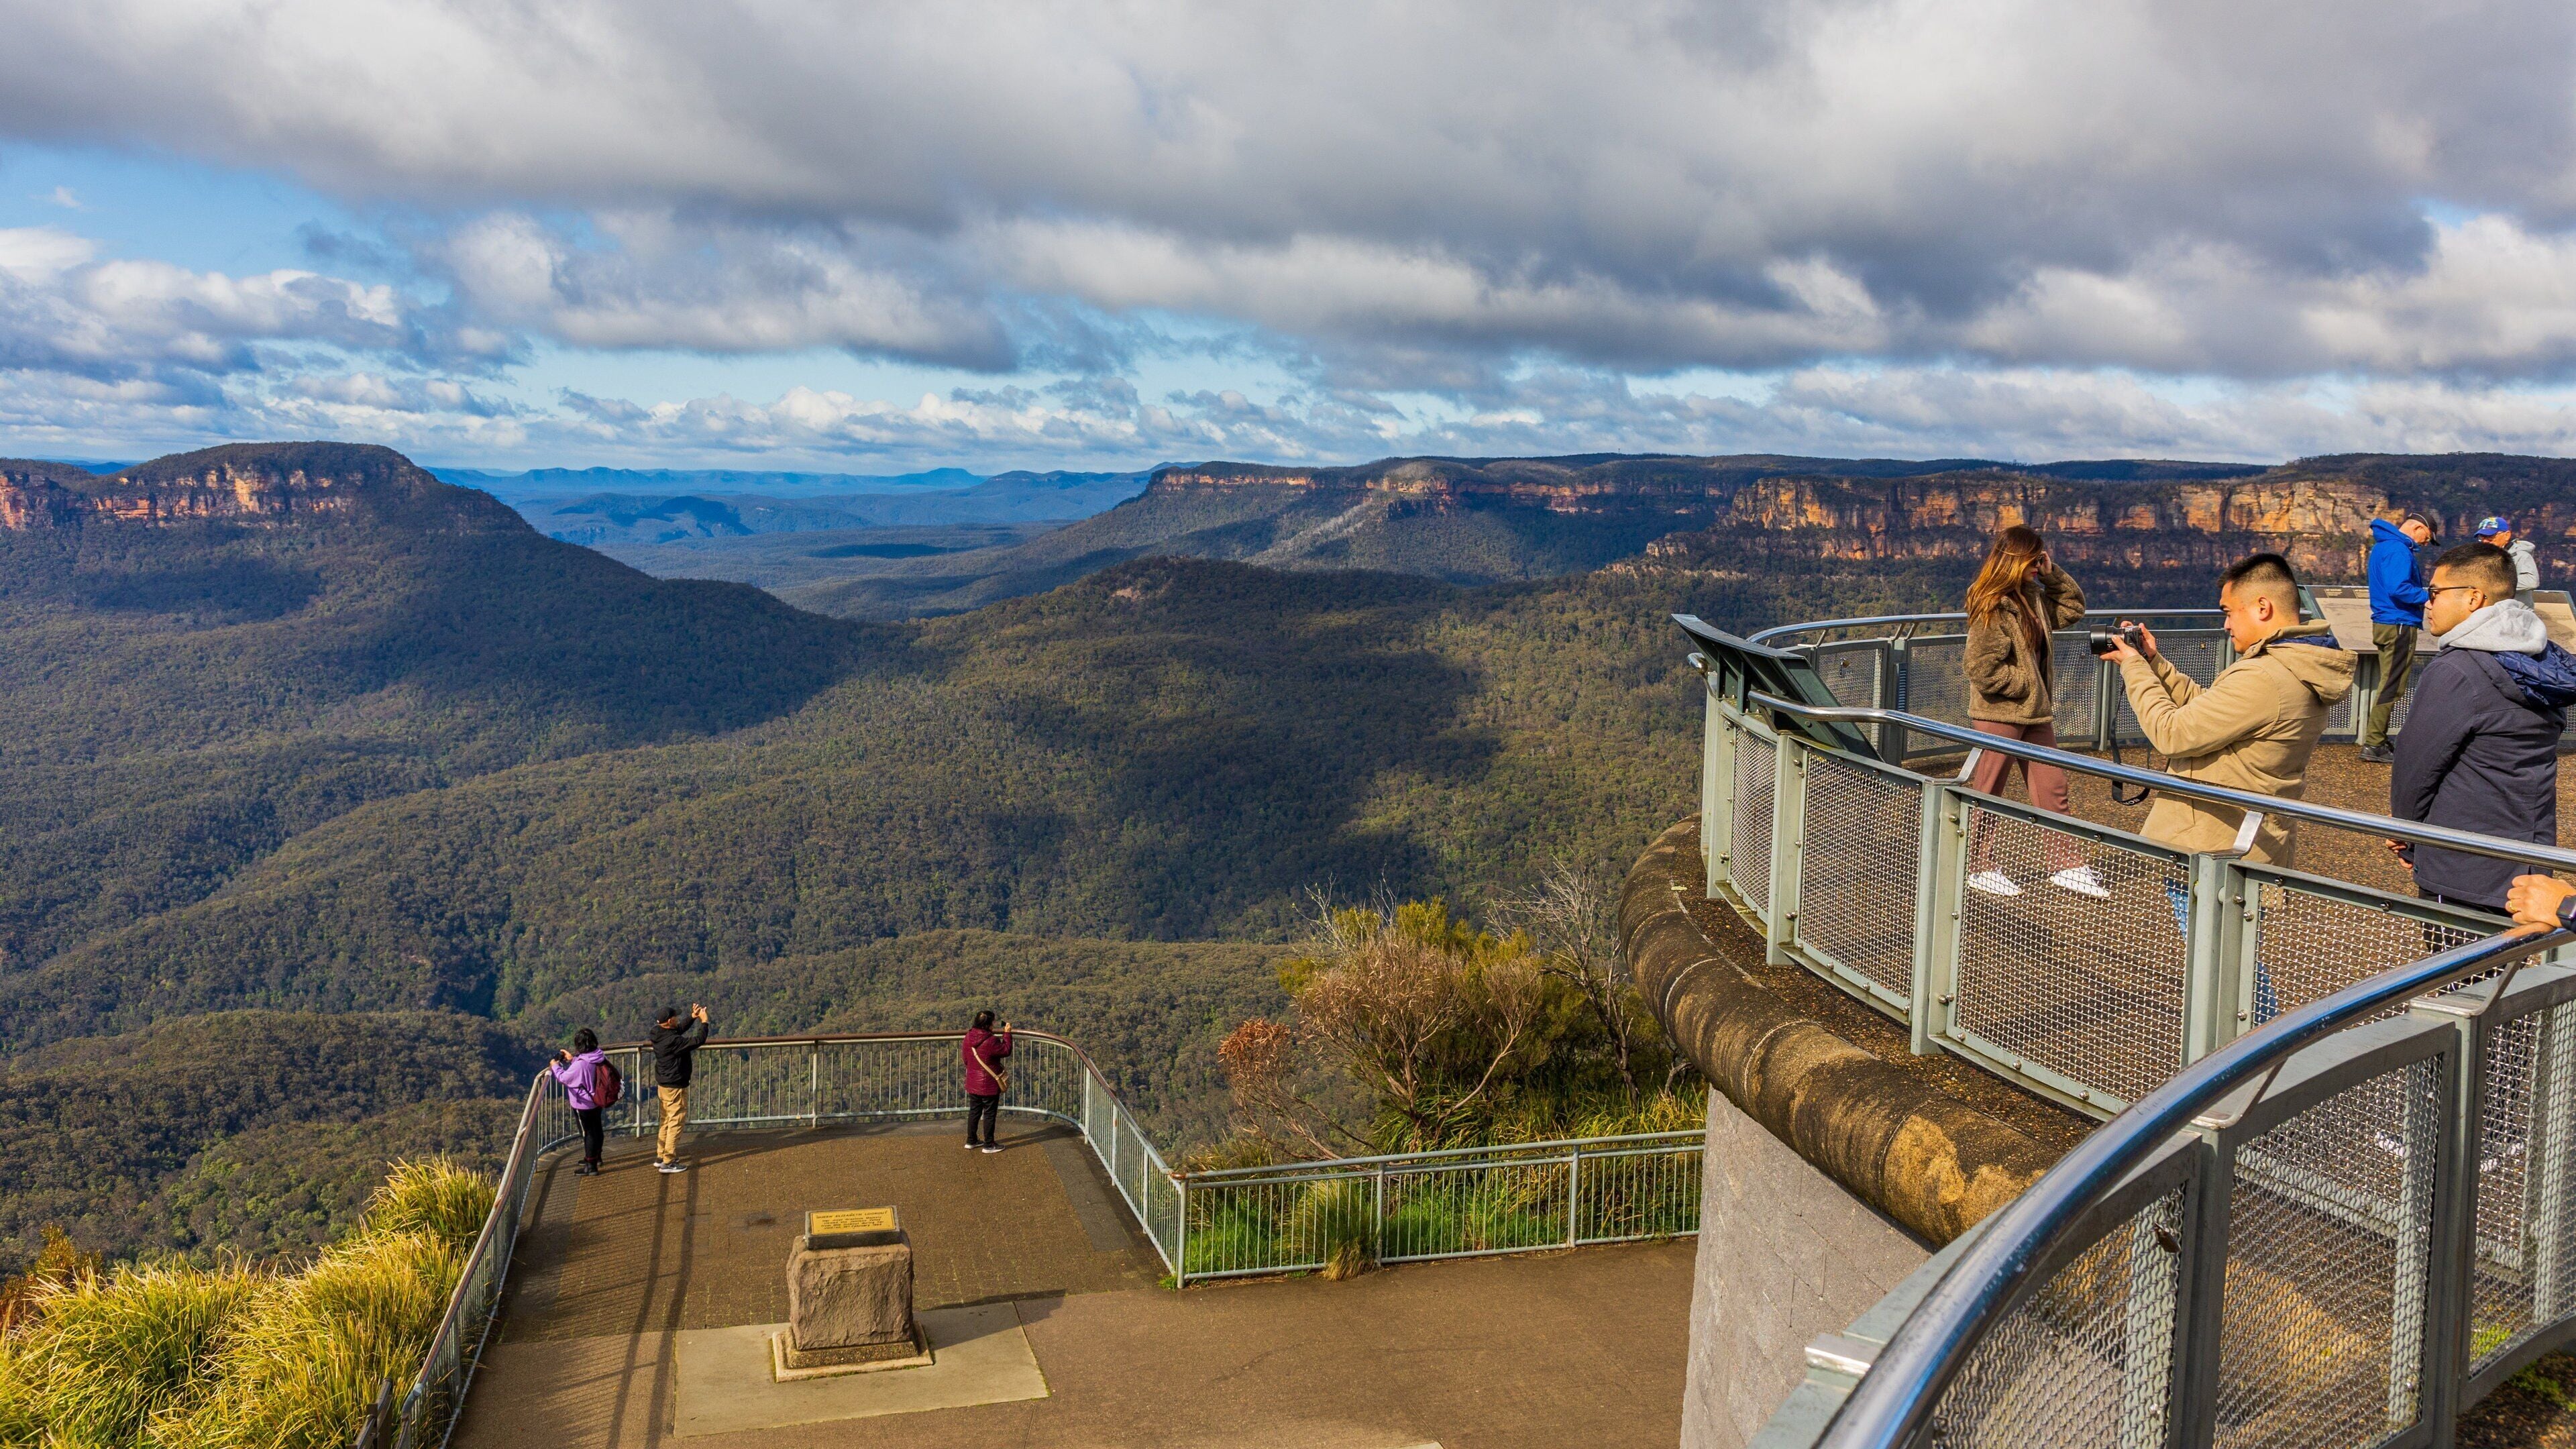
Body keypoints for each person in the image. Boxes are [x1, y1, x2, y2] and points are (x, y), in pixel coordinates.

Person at [2104, 553, 2355, 869]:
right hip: (2245, 842)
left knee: (2201, 922)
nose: (2226, 625)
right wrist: (2154, 662)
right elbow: (2207, 709)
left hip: (2215, 850)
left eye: (2229, 612)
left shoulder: (2264, 677)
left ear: (2262, 607)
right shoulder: (2294, 664)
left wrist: (2133, 666)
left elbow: (2172, 734)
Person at [2388, 543, 2576, 912]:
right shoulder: (2541, 661)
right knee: (2507, 970)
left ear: (2474, 598)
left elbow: (2416, 769)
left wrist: (2408, 835)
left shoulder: (2458, 671)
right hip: (2528, 862)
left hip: (2461, 866)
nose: (2428, 603)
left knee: (2457, 969)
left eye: (2436, 592)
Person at [1958, 523, 2102, 898]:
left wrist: (2055, 576)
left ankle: (2067, 864)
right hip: (2000, 715)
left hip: (2035, 714)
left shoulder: (2033, 597)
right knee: (1988, 792)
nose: (2038, 565)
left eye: (2040, 558)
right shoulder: (1992, 604)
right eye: (2033, 558)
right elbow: (1980, 667)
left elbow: (2073, 608)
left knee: (2053, 788)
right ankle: (1978, 866)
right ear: (2015, 559)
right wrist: (2026, 685)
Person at [2360, 511, 2439, 762]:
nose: (2426, 543)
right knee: (2393, 685)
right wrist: (2428, 598)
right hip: (2399, 625)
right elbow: (2399, 588)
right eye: (2427, 537)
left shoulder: (2384, 547)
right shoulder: (2399, 550)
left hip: (2385, 623)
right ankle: (2374, 744)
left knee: (2387, 682)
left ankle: (2377, 740)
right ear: (2417, 528)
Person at [649, 1004, 710, 1175]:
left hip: (664, 1084)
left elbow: (677, 1030)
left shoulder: (657, 1032)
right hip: (675, 1085)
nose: (677, 1019)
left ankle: (661, 1156)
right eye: (676, 1017)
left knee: (666, 1120)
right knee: (676, 1121)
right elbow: (697, 1041)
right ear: (670, 1021)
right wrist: (704, 1023)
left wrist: (692, 1017)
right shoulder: (673, 1041)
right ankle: (669, 1162)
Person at [549, 1028, 610, 1176]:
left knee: (588, 1133)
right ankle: (597, 1157)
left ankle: (591, 1166)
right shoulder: (599, 1055)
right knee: (597, 1129)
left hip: (583, 1103)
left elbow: (565, 1078)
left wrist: (555, 1066)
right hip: (597, 1099)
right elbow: (584, 1067)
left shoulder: (581, 1064)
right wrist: (572, 1059)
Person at [961, 1010, 1013, 1154]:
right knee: (989, 1113)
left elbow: (966, 1059)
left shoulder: (968, 1037)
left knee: (974, 1112)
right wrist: (1007, 1034)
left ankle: (971, 1141)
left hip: (973, 1081)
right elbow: (1006, 1050)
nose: (994, 1024)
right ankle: (989, 1145)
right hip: (989, 1084)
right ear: (987, 1024)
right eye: (993, 1022)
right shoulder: (991, 1040)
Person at [2477, 517, 2542, 603]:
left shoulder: (2521, 555)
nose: (2485, 541)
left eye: (2490, 537)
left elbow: (2531, 581)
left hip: (2516, 614)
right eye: (2482, 537)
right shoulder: (2482, 557)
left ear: (2507, 535)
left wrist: (2496, 583)